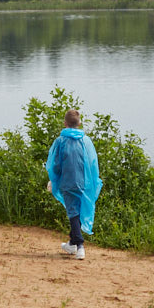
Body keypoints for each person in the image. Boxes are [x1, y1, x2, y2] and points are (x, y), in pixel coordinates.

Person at [45, 109, 103, 261]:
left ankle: (80, 246)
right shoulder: (86, 141)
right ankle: (71, 243)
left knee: (73, 213)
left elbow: (55, 165)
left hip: (67, 183)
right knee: (76, 211)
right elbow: (92, 163)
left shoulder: (60, 141)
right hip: (84, 183)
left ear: (64, 123)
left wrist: (53, 180)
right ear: (79, 123)